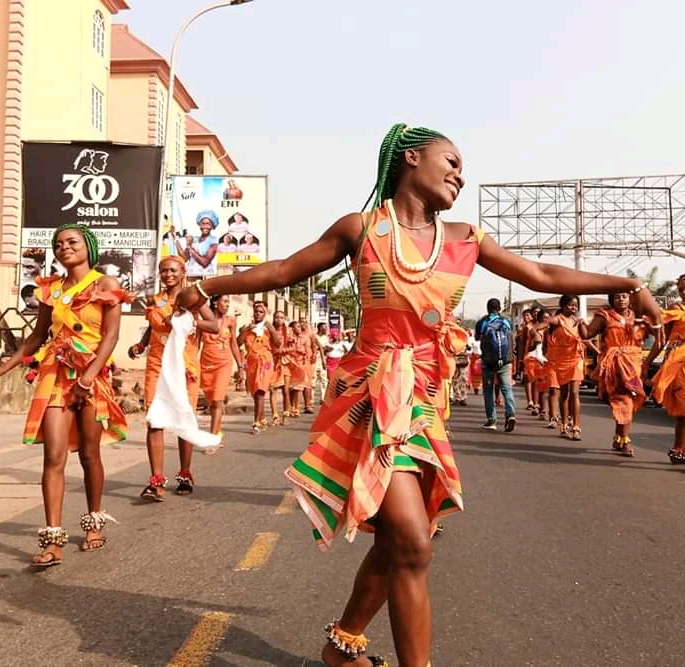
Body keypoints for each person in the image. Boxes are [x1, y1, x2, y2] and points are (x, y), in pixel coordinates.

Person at [176, 123, 662, 667]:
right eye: (450, 160)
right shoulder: (361, 229)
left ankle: (343, 646)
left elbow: (541, 273)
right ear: (410, 158)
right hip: (366, 398)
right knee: (410, 538)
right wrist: (207, 286)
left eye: (462, 167)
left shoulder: (465, 240)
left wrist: (623, 284)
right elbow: (285, 269)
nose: (460, 173)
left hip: (423, 404)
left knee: (401, 541)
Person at [0, 224, 131, 568]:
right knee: (53, 455)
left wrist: (89, 378)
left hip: (91, 377)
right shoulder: (51, 289)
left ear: (88, 247)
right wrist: (5, 367)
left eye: (72, 242)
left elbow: (110, 338)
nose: (65, 247)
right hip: (55, 374)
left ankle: (94, 520)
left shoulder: (107, 286)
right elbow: (36, 338)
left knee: (90, 455)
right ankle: (52, 539)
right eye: (59, 244)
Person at [128, 256, 218, 500]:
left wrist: (189, 320)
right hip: (157, 364)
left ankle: (185, 474)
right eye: (163, 271)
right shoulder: (155, 300)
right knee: (154, 419)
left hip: (184, 365)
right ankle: (156, 480)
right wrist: (141, 344)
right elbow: (152, 326)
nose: (168, 275)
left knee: (182, 419)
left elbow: (214, 326)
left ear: (182, 272)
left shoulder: (192, 298)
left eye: (172, 270)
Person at [586, 292, 650, 457]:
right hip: (614, 366)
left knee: (627, 400)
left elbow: (656, 334)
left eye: (624, 296)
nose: (620, 299)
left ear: (630, 299)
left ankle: (621, 438)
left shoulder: (639, 316)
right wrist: (580, 324)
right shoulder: (605, 316)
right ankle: (622, 438)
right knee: (621, 401)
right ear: (611, 300)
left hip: (634, 364)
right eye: (616, 297)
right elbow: (587, 334)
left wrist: (648, 361)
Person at [644, 273, 685, 463]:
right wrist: (647, 362)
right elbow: (661, 339)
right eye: (682, 288)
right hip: (679, 364)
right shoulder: (676, 309)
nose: (684, 291)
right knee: (683, 411)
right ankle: (680, 449)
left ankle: (679, 449)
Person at [545, 295, 591, 440]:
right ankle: (564, 424)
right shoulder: (559, 319)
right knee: (564, 394)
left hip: (576, 359)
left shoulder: (578, 322)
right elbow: (549, 321)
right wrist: (539, 325)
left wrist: (600, 352)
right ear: (563, 306)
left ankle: (576, 427)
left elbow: (586, 338)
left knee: (575, 393)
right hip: (560, 361)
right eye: (571, 305)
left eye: (575, 305)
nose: (574, 308)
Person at [200, 294, 244, 444]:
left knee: (218, 400)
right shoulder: (204, 321)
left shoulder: (231, 321)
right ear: (214, 303)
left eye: (228, 302)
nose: (227, 305)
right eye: (224, 301)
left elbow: (234, 345)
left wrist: (240, 366)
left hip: (224, 364)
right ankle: (217, 431)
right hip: (206, 364)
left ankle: (212, 439)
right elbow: (197, 343)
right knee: (211, 402)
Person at [237, 301, 280, 434]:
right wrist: (244, 331)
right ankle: (261, 419)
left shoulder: (269, 328)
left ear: (265, 313)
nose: (258, 314)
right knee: (255, 392)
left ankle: (255, 422)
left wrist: (272, 330)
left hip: (266, 361)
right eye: (256, 311)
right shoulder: (247, 327)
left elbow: (277, 344)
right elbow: (238, 343)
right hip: (251, 362)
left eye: (261, 312)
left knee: (261, 390)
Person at [475, 298, 517, 432]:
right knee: (507, 389)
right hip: (504, 361)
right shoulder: (506, 322)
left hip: (488, 362)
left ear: (488, 308)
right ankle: (510, 414)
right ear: (499, 308)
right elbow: (511, 340)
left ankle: (491, 420)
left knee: (488, 391)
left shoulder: (483, 322)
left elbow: (477, 337)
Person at [185, 210, 219, 279]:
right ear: (199, 224)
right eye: (203, 223)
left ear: (212, 226)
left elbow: (204, 263)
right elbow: (186, 258)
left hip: (206, 276)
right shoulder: (194, 239)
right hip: (191, 274)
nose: (205, 226)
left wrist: (191, 248)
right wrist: (187, 244)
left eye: (208, 224)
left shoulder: (214, 241)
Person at [314, 322, 329, 400]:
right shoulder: (314, 337)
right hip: (315, 360)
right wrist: (321, 348)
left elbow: (326, 347)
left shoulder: (325, 338)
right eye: (324, 327)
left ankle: (323, 398)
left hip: (323, 359)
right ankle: (311, 399)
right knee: (313, 379)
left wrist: (325, 348)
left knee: (324, 380)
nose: (326, 329)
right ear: (320, 328)